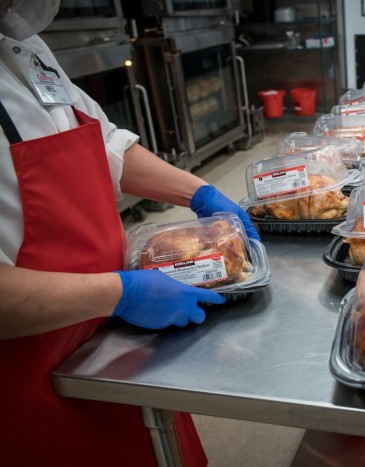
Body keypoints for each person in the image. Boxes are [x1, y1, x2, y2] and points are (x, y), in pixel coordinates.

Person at [0, 1, 260, 465]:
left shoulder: (21, 45)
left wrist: (201, 193)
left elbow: (103, 143)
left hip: (115, 340)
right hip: (28, 374)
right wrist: (120, 292)